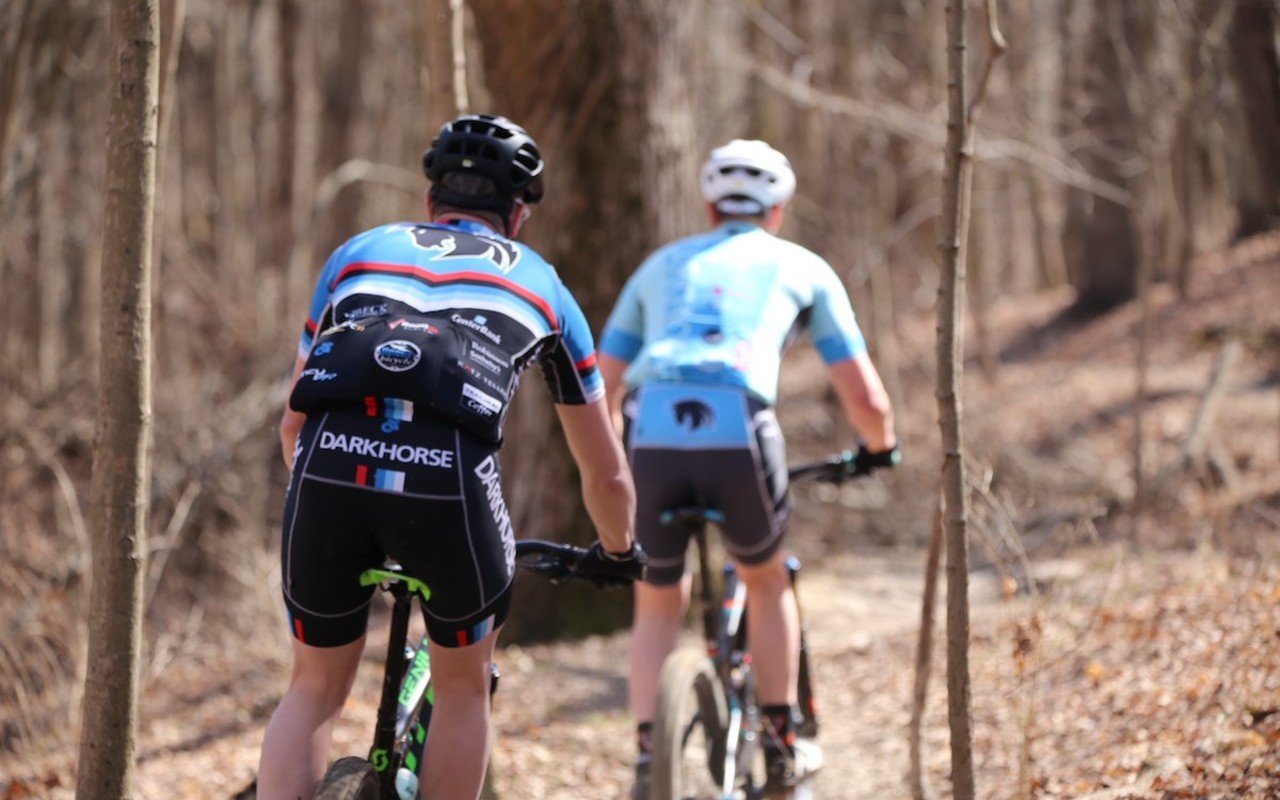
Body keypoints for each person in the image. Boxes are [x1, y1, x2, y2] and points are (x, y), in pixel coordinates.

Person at [256, 113, 644, 800]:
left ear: (432, 198)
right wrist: (618, 551)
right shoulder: (545, 287)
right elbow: (606, 472)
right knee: (465, 689)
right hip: (449, 488)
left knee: (313, 687)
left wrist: (342, 490)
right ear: (518, 213)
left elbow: (294, 420)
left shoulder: (358, 252)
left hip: (325, 467)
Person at [597, 139, 900, 797]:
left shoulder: (658, 266)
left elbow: (603, 381)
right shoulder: (803, 266)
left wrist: (613, 461)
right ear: (779, 208)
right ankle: (781, 741)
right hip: (738, 426)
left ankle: (651, 757)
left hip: (650, 428)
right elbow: (866, 396)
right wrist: (880, 447)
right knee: (766, 580)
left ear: (710, 206)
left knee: (656, 600)